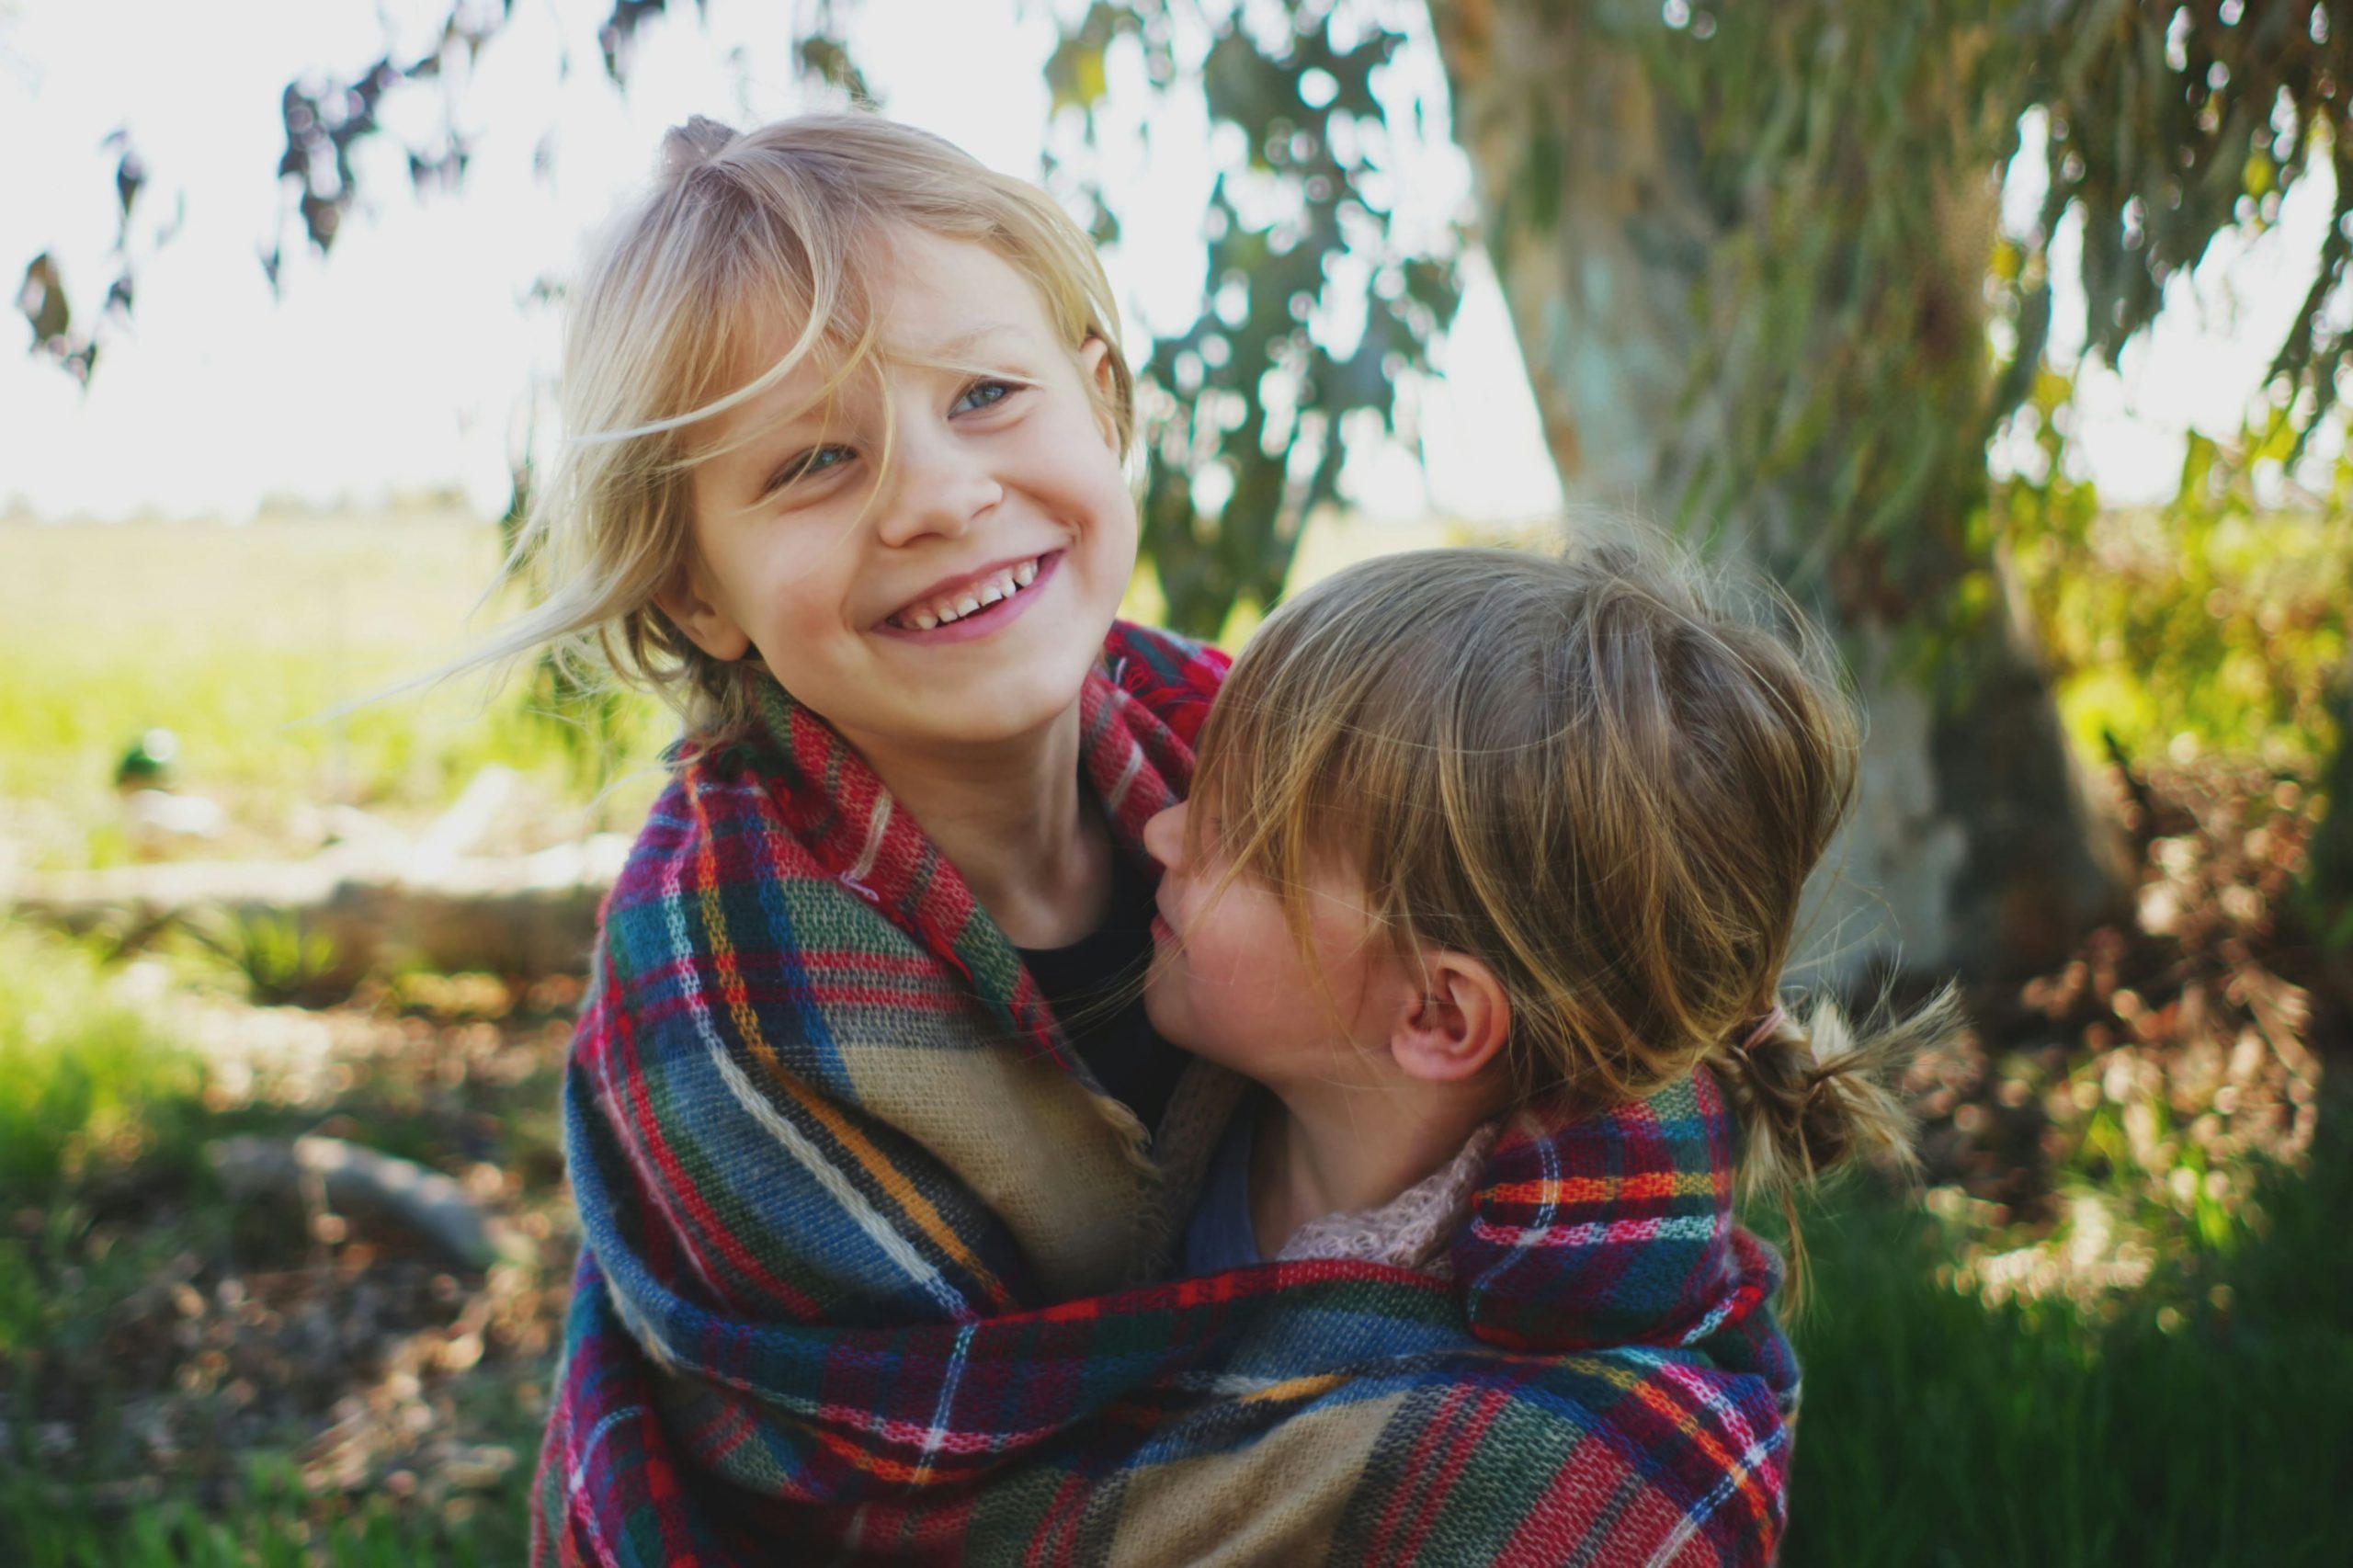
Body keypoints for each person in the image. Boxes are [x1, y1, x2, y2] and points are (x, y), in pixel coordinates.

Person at [516, 108, 1823, 1567]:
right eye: (817, 460)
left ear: (1100, 397)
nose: (940, 495)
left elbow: (1595, 1003)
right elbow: (899, 1482)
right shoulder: (730, 988)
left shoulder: (1268, 742)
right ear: (698, 590)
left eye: (989, 394)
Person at [1142, 541, 1953, 1308]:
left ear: (1439, 1013)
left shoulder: (1492, 1387)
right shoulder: (1192, 1123)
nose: (1157, 834)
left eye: (1238, 839)